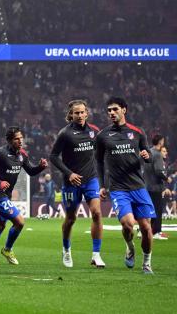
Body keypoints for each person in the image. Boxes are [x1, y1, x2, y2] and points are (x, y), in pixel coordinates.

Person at [95, 97, 154, 274]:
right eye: (109, 110)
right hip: (118, 188)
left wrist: (146, 155)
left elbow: (149, 155)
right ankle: (130, 247)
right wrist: (102, 185)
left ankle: (146, 263)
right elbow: (98, 161)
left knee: (146, 227)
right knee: (128, 224)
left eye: (115, 109)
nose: (111, 113)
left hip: (138, 186)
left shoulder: (137, 132)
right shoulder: (103, 135)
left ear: (124, 110)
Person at [0, 126, 48, 265]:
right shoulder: (0, 153)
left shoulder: (22, 155)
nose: (20, 141)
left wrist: (40, 167)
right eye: (17, 139)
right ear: (10, 140)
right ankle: (7, 249)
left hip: (6, 195)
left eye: (21, 138)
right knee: (20, 222)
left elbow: (31, 171)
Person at [49, 99, 105, 268]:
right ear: (71, 115)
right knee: (71, 218)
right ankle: (66, 249)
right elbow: (53, 156)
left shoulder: (95, 132)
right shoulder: (65, 133)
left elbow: (102, 152)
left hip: (91, 180)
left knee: (96, 213)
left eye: (82, 112)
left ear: (87, 113)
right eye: (76, 113)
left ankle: (96, 255)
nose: (80, 115)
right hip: (71, 183)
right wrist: (69, 173)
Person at [143, 134, 170, 240]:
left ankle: (145, 230)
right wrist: (166, 178)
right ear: (161, 142)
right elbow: (158, 171)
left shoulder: (149, 152)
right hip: (156, 187)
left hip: (147, 185)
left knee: (149, 210)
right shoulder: (158, 154)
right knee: (158, 210)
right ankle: (156, 232)